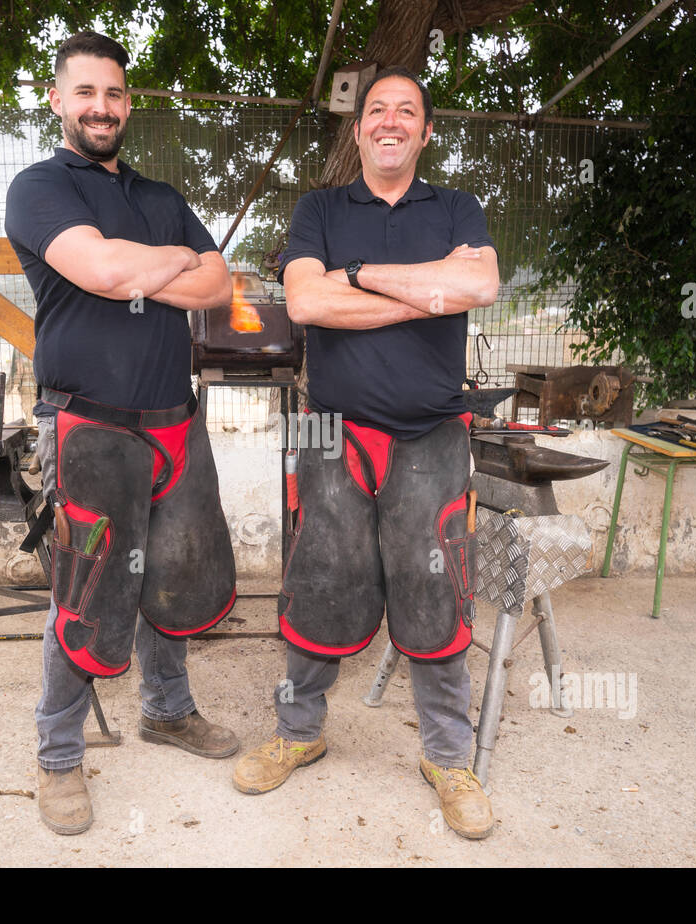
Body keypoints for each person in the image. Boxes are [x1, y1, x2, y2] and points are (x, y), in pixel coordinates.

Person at [232, 67, 501, 839]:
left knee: (436, 591)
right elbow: (307, 302)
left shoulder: (457, 206)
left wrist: (359, 279)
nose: (389, 121)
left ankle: (449, 756)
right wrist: (424, 290)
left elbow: (476, 286)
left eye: (405, 111)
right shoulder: (320, 206)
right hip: (327, 425)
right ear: (359, 131)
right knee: (316, 577)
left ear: (424, 130)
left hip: (433, 428)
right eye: (376, 110)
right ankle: (298, 730)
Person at [5, 31, 238, 836]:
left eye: (114, 94)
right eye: (86, 93)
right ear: (57, 99)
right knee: (88, 588)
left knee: (170, 573)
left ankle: (167, 709)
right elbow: (104, 273)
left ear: (127, 102)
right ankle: (58, 754)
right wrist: (169, 260)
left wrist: (150, 263)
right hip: (87, 422)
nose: (101, 107)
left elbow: (220, 284)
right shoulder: (39, 189)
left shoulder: (162, 194)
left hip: (174, 417)